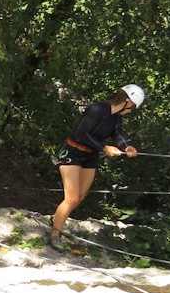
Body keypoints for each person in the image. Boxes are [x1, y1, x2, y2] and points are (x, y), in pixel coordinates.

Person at [50, 85, 143, 241]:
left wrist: (127, 147)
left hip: (90, 157)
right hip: (72, 152)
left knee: (79, 197)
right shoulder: (98, 109)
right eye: (132, 106)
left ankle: (56, 219)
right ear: (127, 101)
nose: (131, 111)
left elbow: (118, 134)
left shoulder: (116, 118)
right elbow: (81, 133)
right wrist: (104, 147)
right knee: (71, 198)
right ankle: (54, 234)